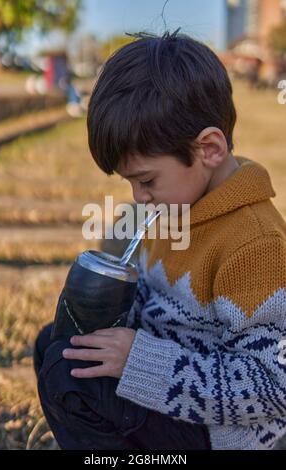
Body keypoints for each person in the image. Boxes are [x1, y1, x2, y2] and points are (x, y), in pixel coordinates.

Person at [34, 29, 286, 450]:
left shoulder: (255, 246)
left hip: (217, 433)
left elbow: (273, 387)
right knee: (57, 346)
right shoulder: (176, 208)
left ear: (208, 148)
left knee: (70, 381)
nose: (138, 196)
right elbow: (159, 312)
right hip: (172, 390)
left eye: (146, 179)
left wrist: (141, 361)